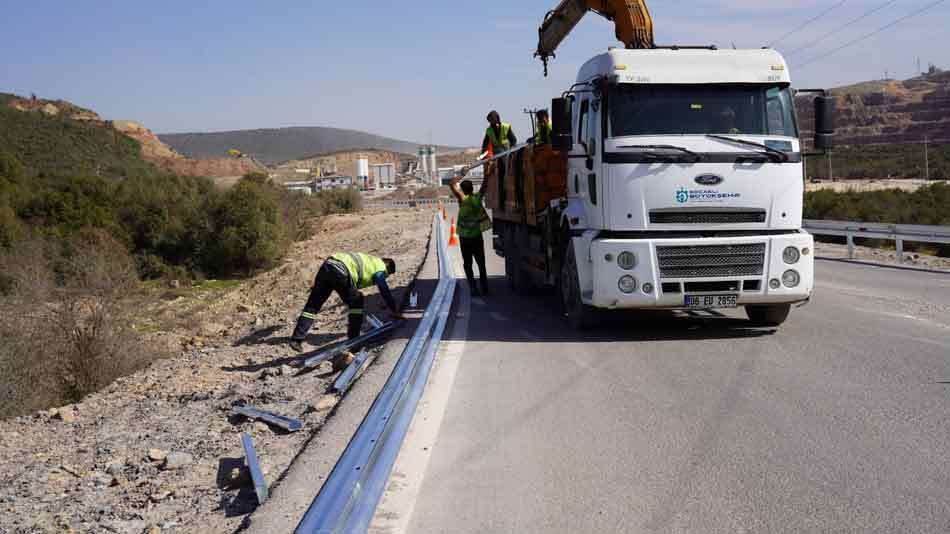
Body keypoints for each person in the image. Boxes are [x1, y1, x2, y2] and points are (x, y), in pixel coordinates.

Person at [289, 252, 404, 368]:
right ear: (387, 267)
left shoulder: (371, 260)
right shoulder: (380, 267)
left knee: (313, 305)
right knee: (357, 302)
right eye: (387, 275)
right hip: (341, 271)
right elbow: (384, 289)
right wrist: (394, 309)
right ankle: (354, 341)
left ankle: (296, 339)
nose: (385, 277)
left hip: (327, 266)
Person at [450, 175, 490, 297]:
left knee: (467, 264)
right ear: (472, 188)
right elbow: (484, 185)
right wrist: (488, 172)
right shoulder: (477, 198)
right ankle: (484, 286)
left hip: (465, 239)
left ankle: (473, 287)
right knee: (481, 263)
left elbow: (452, 184)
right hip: (477, 237)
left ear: (462, 190)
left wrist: (460, 175)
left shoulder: (462, 199)